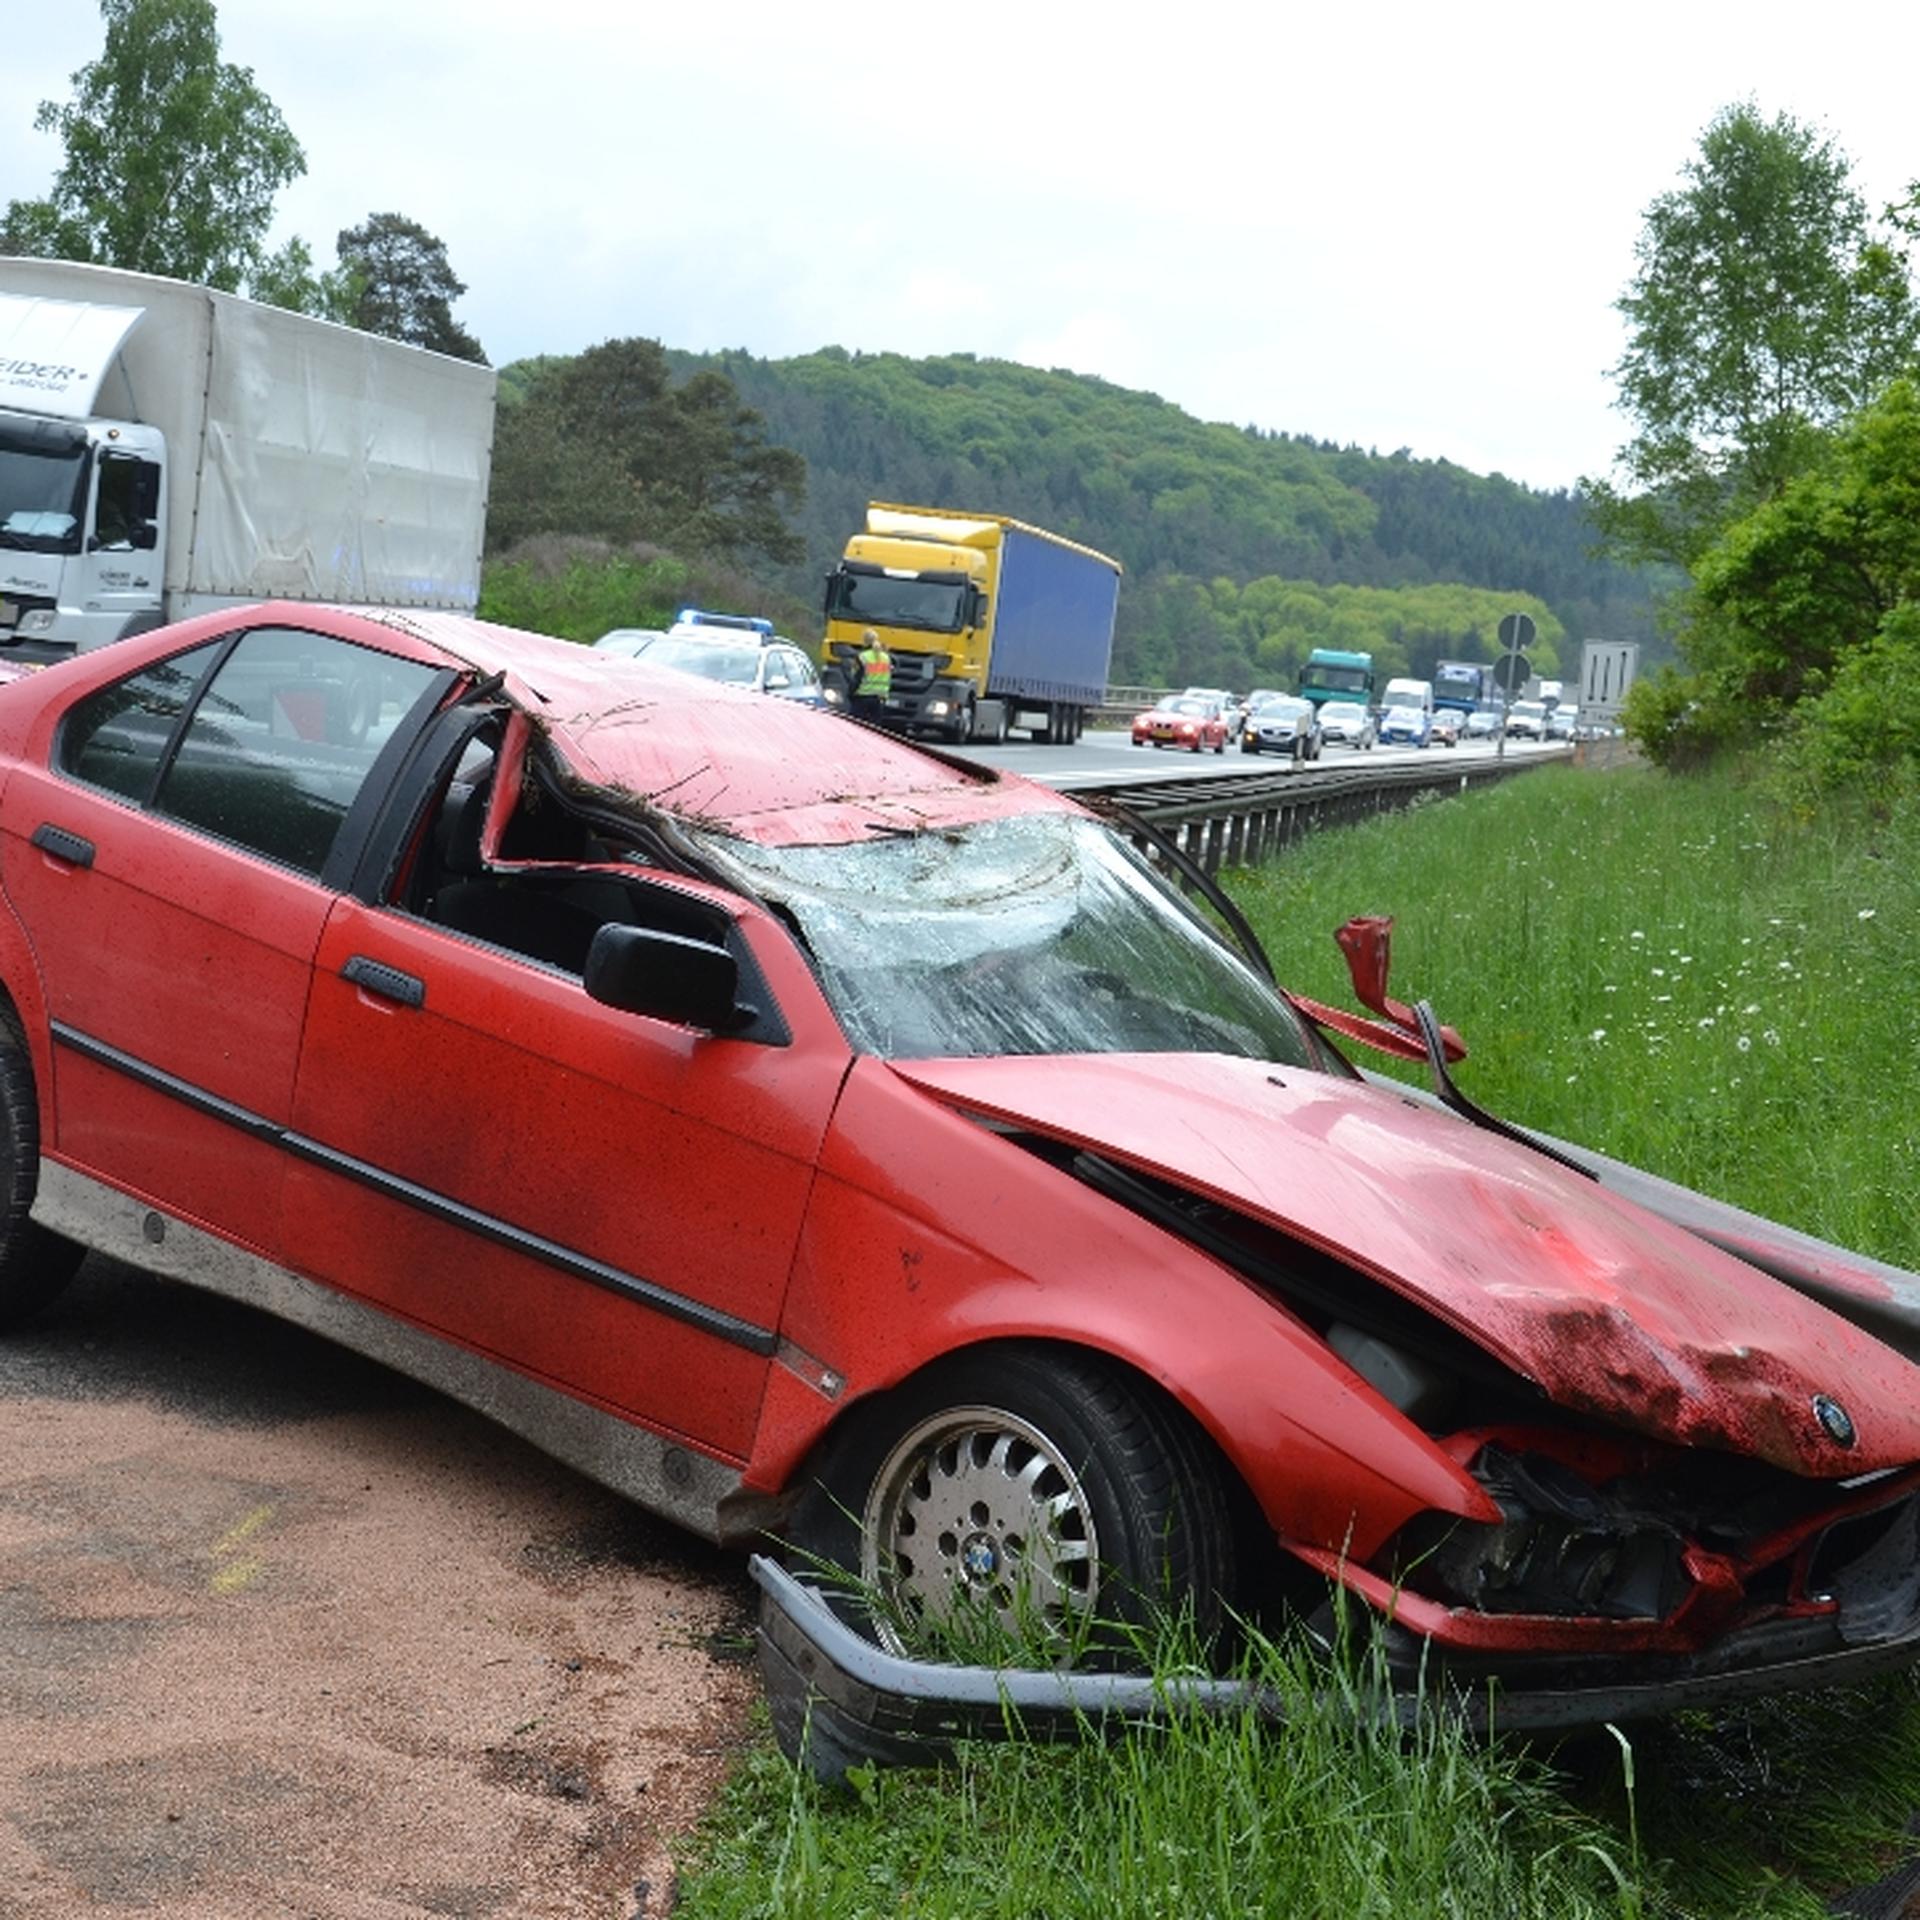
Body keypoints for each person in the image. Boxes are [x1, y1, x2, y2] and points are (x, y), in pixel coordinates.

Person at [851, 627, 893, 725]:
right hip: (879, 700)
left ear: (864, 641)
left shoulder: (862, 657)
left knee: (854, 727)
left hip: (862, 698)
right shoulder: (886, 658)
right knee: (873, 731)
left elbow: (856, 679)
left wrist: (851, 694)